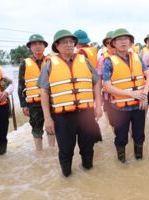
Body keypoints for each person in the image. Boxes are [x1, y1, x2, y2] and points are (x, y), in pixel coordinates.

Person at [38, 29, 102, 177]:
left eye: (71, 42)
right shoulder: (49, 64)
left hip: (85, 114)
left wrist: (98, 106)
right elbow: (44, 92)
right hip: (63, 117)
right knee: (66, 150)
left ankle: (88, 177)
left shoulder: (84, 61)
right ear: (57, 46)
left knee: (88, 148)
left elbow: (97, 82)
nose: (69, 45)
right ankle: (67, 178)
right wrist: (47, 118)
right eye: (65, 42)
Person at [103, 28, 149, 163]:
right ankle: (122, 164)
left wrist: (144, 94)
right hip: (120, 109)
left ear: (130, 42)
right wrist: (130, 94)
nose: (123, 41)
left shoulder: (138, 57)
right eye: (119, 39)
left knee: (139, 136)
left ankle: (139, 161)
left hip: (138, 106)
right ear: (113, 43)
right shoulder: (109, 62)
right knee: (121, 138)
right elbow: (107, 86)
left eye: (126, 39)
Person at [18, 34, 55, 151]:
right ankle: (39, 154)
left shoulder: (51, 61)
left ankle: (51, 152)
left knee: (52, 127)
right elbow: (21, 85)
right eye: (34, 44)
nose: (37, 46)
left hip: (50, 101)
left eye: (40, 44)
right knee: (36, 129)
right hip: (34, 104)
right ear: (30, 47)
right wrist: (23, 105)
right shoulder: (24, 64)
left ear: (45, 46)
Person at [97, 31, 115, 126]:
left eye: (112, 41)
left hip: (125, 92)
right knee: (112, 121)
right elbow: (99, 78)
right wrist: (99, 96)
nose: (110, 44)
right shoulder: (102, 58)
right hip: (108, 93)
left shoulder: (127, 56)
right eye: (108, 42)